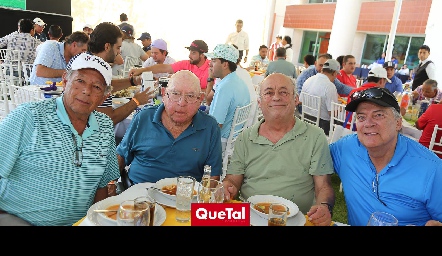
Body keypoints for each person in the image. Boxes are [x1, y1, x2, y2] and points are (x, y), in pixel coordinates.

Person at [0, 52, 120, 226]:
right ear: (65, 80)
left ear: (104, 97)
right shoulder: (29, 116)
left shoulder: (105, 126)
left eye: (97, 87)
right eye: (80, 81)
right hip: (19, 219)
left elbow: (101, 186)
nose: (86, 91)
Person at [222, 73, 335, 226]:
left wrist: (324, 207)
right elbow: (233, 180)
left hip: (296, 220)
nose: (276, 97)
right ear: (260, 102)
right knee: (199, 218)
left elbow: (323, 186)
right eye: (269, 93)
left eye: (283, 92)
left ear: (296, 100)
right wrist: (228, 187)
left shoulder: (315, 136)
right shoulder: (246, 137)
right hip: (249, 217)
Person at [330, 87, 442, 226]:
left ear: (398, 123)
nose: (368, 123)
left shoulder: (433, 169)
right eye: (361, 117)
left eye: (378, 115)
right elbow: (311, 159)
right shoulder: (346, 148)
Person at [116, 70, 223, 187]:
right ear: (164, 94)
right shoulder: (143, 117)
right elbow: (120, 156)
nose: (182, 103)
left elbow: (213, 176)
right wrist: (110, 184)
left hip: (184, 199)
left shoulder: (210, 127)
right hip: (138, 197)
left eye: (190, 96)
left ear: (200, 99)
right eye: (175, 94)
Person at [88, 21, 155, 126]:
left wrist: (132, 81)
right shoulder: (99, 70)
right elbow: (108, 119)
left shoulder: (87, 60)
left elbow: (106, 86)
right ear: (107, 47)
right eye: (118, 47)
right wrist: (136, 101)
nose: (119, 52)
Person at [206, 44, 250, 152]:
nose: (210, 64)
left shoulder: (225, 87)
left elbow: (215, 125)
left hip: (220, 141)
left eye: (214, 60)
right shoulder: (238, 81)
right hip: (234, 138)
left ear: (225, 64)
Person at [129, 40, 211, 93]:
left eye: (193, 53)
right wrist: (141, 70)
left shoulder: (211, 68)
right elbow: (163, 68)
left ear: (203, 55)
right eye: (190, 52)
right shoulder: (187, 63)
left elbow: (211, 92)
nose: (189, 55)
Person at [300, 59, 339, 136]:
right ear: (334, 73)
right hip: (322, 126)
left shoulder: (309, 80)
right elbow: (333, 113)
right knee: (340, 126)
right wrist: (340, 108)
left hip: (305, 121)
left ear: (322, 69)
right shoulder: (330, 86)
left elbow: (301, 101)